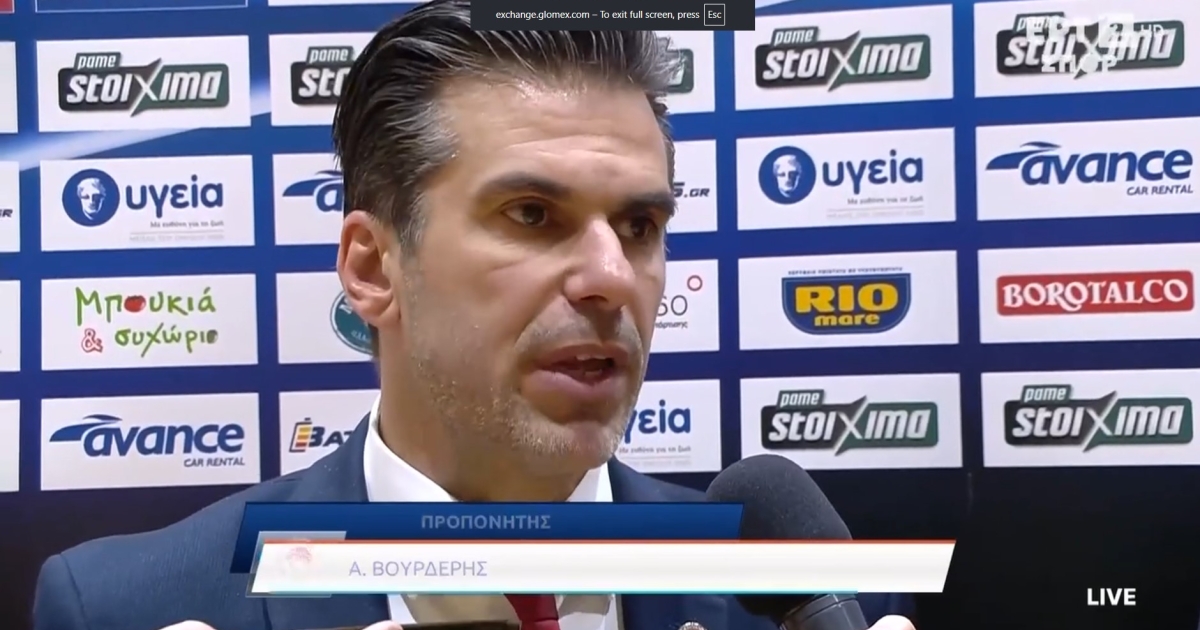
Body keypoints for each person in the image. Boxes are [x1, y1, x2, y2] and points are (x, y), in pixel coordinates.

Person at [31, 2, 920, 629]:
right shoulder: (125, 608)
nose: (612, 277)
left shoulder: (811, 602)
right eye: (532, 215)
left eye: (640, 226)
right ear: (373, 268)